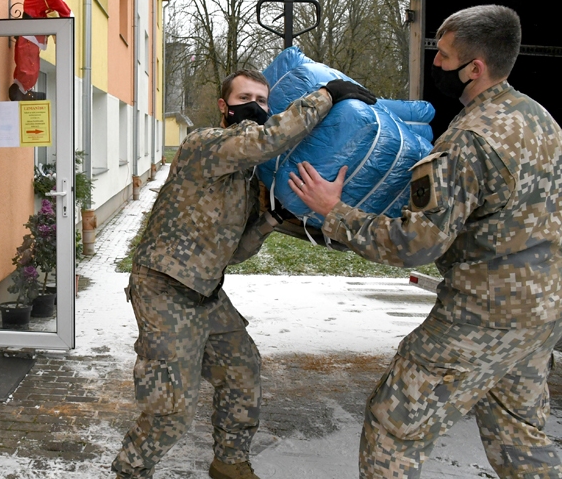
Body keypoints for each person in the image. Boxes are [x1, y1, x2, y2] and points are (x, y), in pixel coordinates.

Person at [288, 4, 562, 478]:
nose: (435, 63)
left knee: (392, 425)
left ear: (475, 68)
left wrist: (334, 212)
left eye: (445, 56)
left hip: (480, 315)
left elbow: (416, 245)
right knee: (523, 438)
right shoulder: (541, 121)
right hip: (540, 313)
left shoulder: (469, 140)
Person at [112, 69, 376, 479]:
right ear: (224, 106)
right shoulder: (204, 144)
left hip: (206, 292)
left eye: (262, 99)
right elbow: (268, 139)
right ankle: (130, 471)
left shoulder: (249, 178)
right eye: (245, 97)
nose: (255, 105)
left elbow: (234, 252)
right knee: (172, 407)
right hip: (163, 288)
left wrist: (270, 219)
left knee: (242, 371)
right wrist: (326, 94)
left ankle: (229, 462)